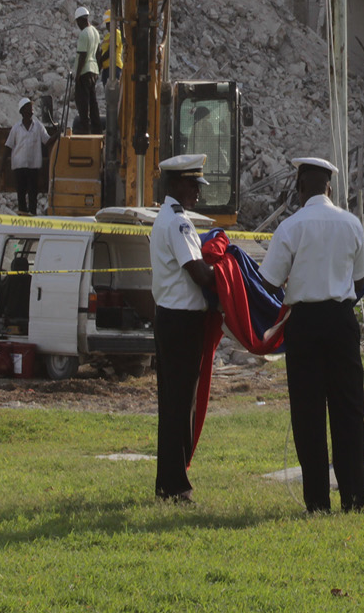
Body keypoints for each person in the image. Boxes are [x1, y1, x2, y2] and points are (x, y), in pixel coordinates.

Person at [259, 157, 364, 513]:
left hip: (305, 323)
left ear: (299, 188)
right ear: (329, 188)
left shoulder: (290, 228)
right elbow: (361, 278)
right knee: (348, 411)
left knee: (308, 413)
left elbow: (269, 281)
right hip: (341, 319)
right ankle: (355, 497)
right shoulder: (351, 223)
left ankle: (317, 501)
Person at [150, 154, 215, 503]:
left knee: (173, 404)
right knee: (178, 405)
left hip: (170, 318)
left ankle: (168, 483)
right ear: (175, 184)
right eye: (193, 186)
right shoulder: (178, 223)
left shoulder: (167, 218)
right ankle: (175, 486)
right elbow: (199, 273)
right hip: (182, 322)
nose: (198, 194)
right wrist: (233, 277)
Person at [2, 97, 49, 216]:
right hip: (19, 166)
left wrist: (58, 134)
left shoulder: (38, 126)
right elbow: (8, 146)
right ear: (22, 111)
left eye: (31, 106)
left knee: (33, 193)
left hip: (33, 166)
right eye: (28, 106)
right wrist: (1, 166)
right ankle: (23, 216)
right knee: (21, 193)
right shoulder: (16, 128)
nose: (31, 108)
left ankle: (32, 216)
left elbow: (47, 141)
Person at [72, 7, 103, 135]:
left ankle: (85, 127)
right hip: (94, 70)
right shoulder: (95, 32)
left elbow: (82, 56)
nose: (78, 25)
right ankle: (97, 127)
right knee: (93, 101)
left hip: (85, 71)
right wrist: (97, 70)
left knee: (82, 101)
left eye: (77, 22)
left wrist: (77, 75)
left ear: (80, 20)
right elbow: (99, 53)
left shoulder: (84, 33)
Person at [98, 9, 123, 85]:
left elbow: (111, 50)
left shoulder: (117, 33)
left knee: (113, 93)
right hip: (106, 68)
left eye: (109, 23)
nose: (108, 26)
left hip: (114, 68)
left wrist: (100, 60)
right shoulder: (107, 36)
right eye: (107, 24)